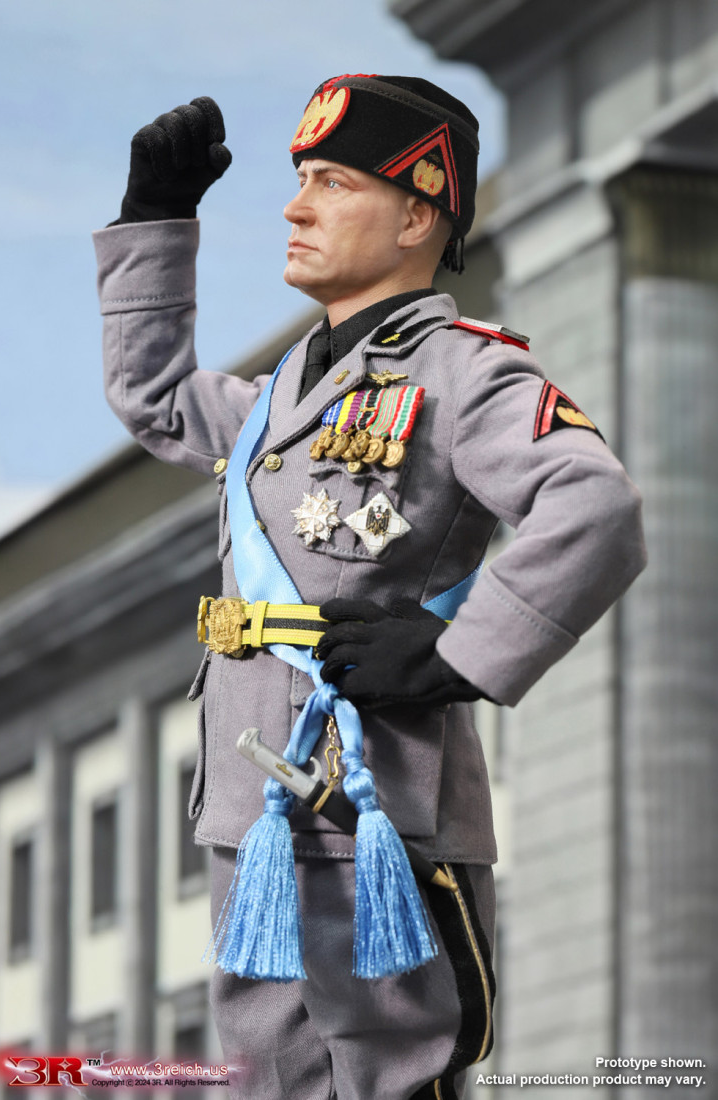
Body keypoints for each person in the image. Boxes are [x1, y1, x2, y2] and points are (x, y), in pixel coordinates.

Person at [94, 75, 646, 1100]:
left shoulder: (466, 374)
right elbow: (158, 400)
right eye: (300, 180)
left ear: (417, 213)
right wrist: (154, 224)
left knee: (391, 1074)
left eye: (333, 183)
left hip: (375, 807)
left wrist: (454, 655)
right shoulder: (280, 394)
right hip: (251, 811)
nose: (295, 208)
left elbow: (594, 504)